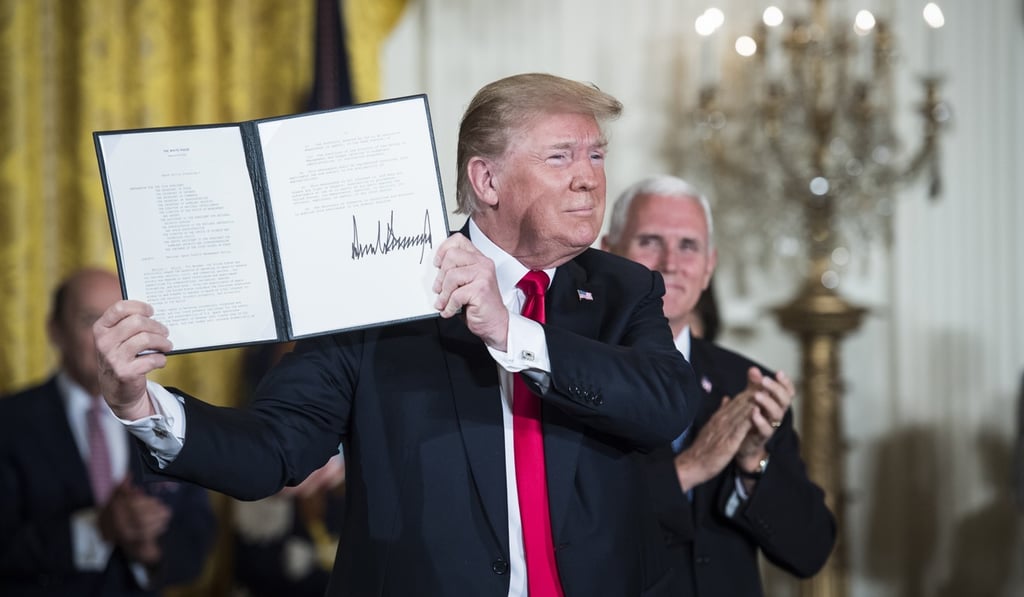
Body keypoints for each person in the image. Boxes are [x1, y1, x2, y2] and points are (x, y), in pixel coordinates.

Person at [92, 73, 698, 597]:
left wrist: (512, 330)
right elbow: (275, 450)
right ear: (485, 181)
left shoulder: (626, 289)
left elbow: (663, 405)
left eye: (596, 155)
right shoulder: (383, 294)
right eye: (561, 157)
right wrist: (141, 405)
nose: (589, 179)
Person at [602, 175, 836, 596]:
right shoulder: (570, 376)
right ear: (608, 254)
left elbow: (810, 551)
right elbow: (574, 533)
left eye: (688, 245)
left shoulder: (748, 386)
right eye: (650, 241)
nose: (670, 262)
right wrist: (689, 469)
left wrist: (752, 462)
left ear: (709, 267)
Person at [0, 268, 216, 596]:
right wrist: (95, 530)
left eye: (119, 324)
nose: (108, 340)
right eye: (90, 320)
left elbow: (197, 540)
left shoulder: (168, 416)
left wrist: (149, 551)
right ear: (55, 331)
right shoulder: (10, 421)